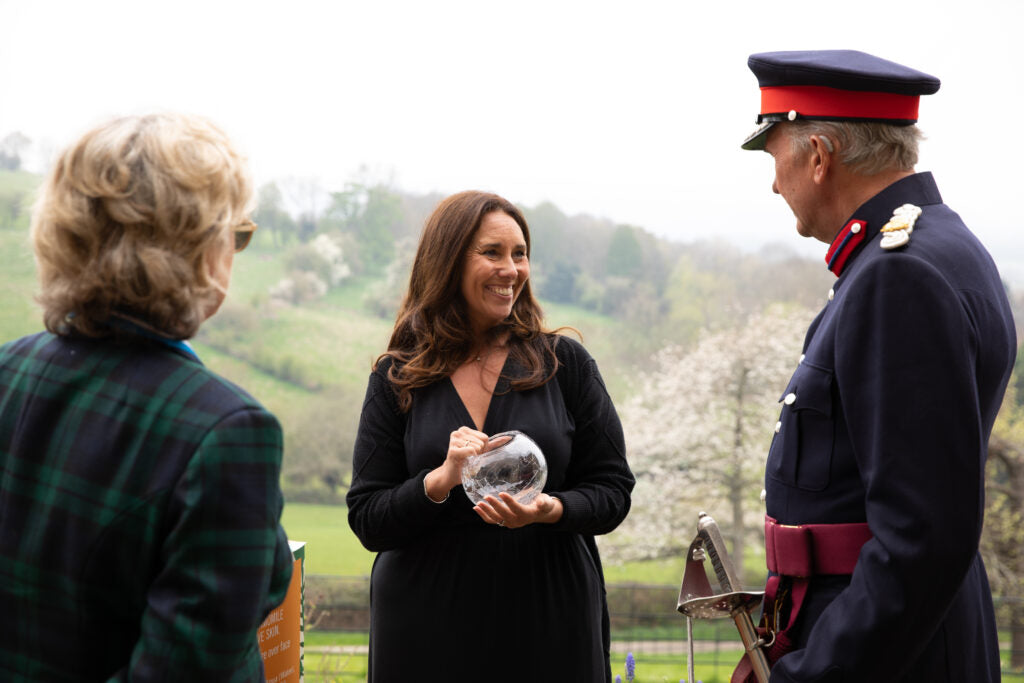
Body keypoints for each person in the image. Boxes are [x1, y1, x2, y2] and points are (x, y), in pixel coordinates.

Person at [733, 51, 1016, 682]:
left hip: (880, 652)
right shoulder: (932, 246)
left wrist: (809, 672)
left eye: (776, 158)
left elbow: (919, 540)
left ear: (819, 154)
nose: (775, 184)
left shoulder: (900, 274)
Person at [0, 113, 293, 681]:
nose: (235, 252)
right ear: (200, 248)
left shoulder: (7, 367)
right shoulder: (226, 431)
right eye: (237, 234)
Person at [346, 190, 635, 682]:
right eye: (492, 253)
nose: (512, 270)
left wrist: (549, 510)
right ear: (448, 262)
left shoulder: (566, 366)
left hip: (549, 617)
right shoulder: (398, 376)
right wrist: (439, 480)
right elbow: (368, 519)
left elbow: (612, 492)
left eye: (520, 254)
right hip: (424, 626)